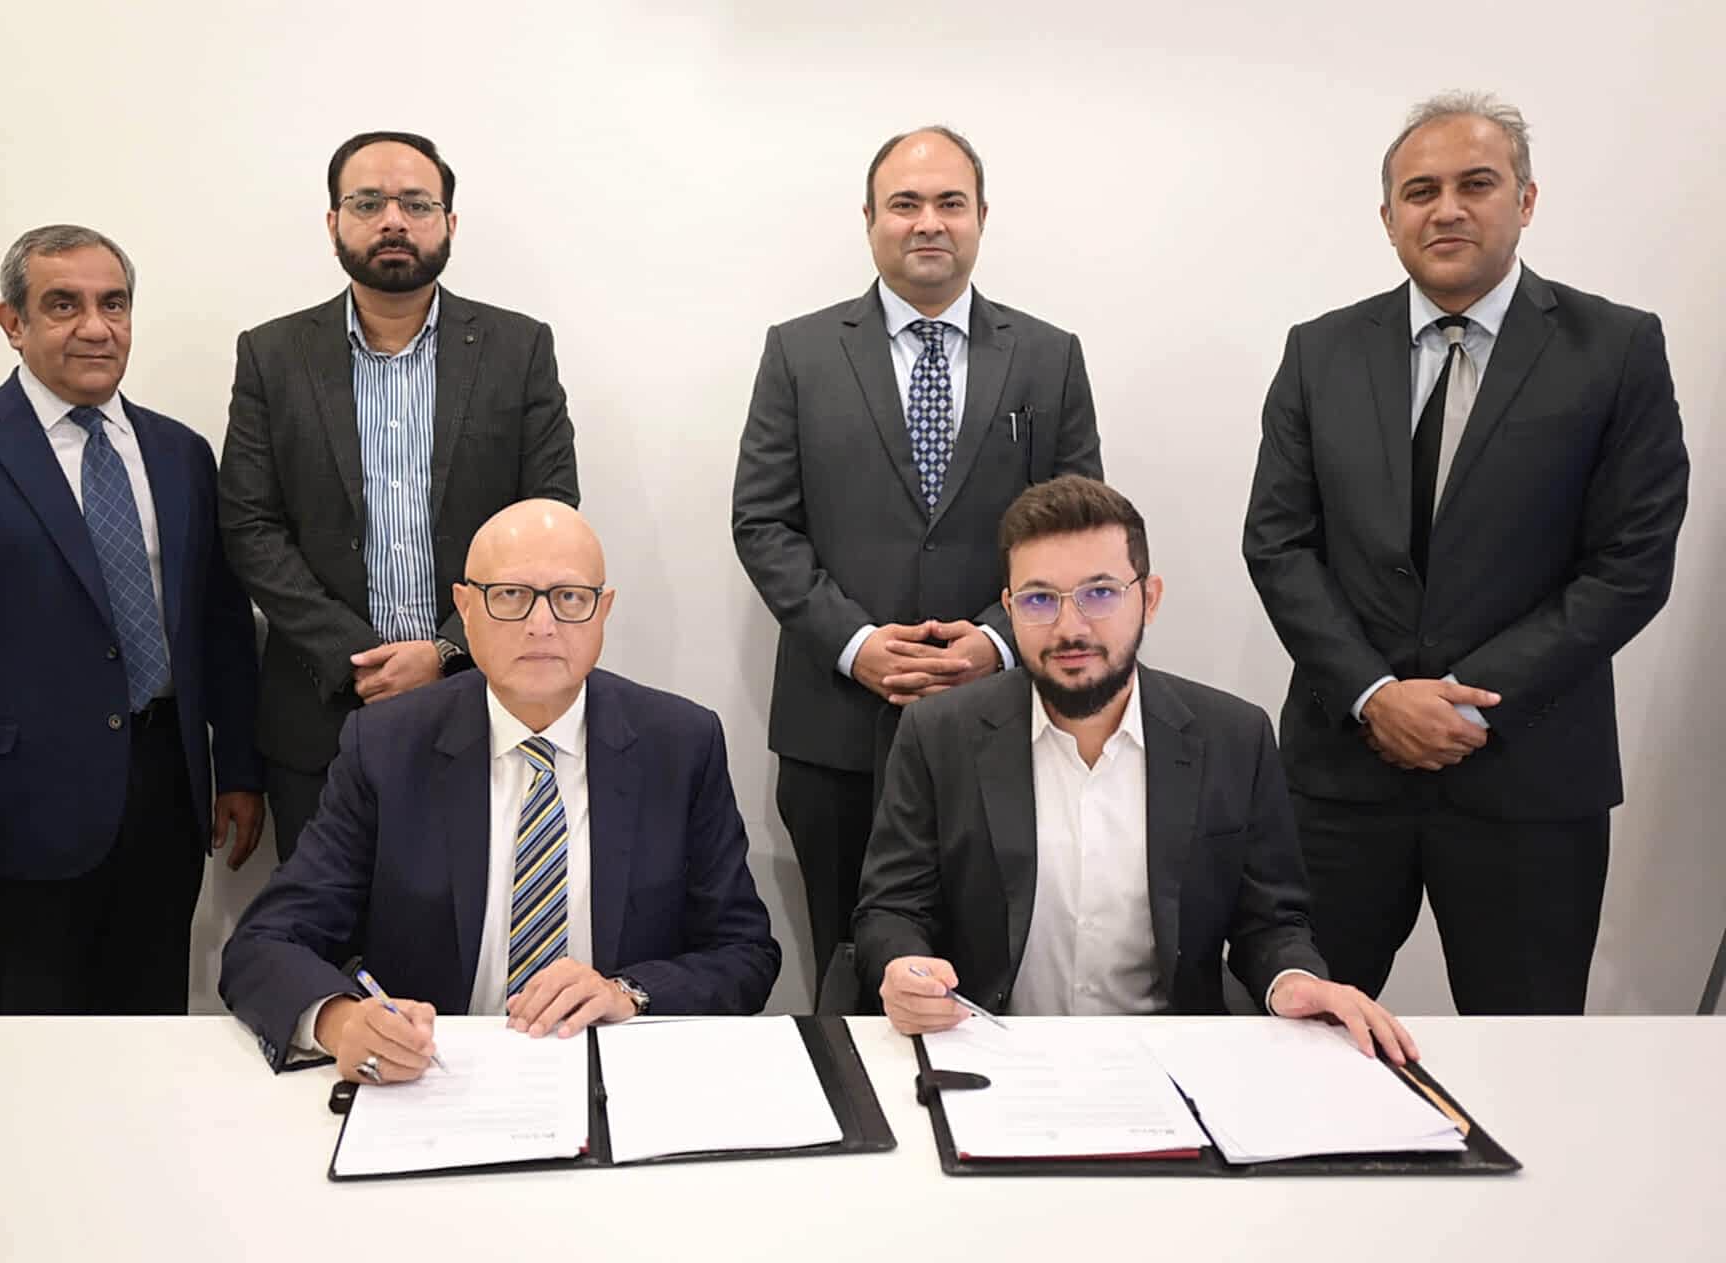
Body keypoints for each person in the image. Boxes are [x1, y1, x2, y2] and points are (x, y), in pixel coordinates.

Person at [1242, 92, 1689, 1014]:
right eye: (1420, 190)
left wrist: (1469, 705)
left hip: (1529, 779)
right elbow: (1278, 542)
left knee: (1531, 1055)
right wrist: (1375, 695)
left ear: (1525, 200)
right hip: (1341, 778)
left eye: (1475, 184)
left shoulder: (1616, 349)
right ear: (1388, 217)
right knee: (1298, 1042)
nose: (1446, 208)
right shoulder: (1319, 351)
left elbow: (1631, 562)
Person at [857, 476, 1413, 1063]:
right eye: (1040, 599)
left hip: (1172, 1063)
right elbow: (891, 909)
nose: (1070, 627)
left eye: (1099, 593)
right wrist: (901, 969)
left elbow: (1270, 923)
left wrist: (1295, 981)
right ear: (1011, 609)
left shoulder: (1234, 738)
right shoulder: (937, 733)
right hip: (991, 1055)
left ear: (1148, 598)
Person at [0, 224, 264, 1014]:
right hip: (19, 815)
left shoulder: (180, 454)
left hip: (166, 800)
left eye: (114, 303)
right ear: (13, 323)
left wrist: (239, 767)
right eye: (63, 304)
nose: (95, 325)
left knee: (152, 1032)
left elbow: (220, 623)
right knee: (38, 1049)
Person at [220, 501, 780, 1078]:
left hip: (619, 1072)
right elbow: (264, 943)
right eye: (510, 595)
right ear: (465, 607)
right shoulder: (386, 746)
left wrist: (629, 993)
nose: (542, 625)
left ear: (603, 610)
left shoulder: (681, 744)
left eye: (569, 598)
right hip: (437, 1076)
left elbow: (745, 955)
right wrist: (343, 1022)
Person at [733, 124, 1102, 983]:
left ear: (980, 218)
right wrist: (859, 645)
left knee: (995, 959)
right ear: (870, 219)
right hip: (837, 725)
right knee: (849, 963)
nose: (928, 221)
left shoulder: (1048, 357)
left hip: (1008, 716)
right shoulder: (799, 351)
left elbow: (1082, 533)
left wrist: (998, 638)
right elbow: (763, 522)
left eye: (949, 202)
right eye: (905, 203)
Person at [220, 129, 580, 861]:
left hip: (486, 702)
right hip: (317, 714)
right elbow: (250, 524)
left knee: (469, 935)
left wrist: (448, 648)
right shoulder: (272, 354)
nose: (392, 220)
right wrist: (359, 657)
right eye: (367, 202)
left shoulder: (519, 349)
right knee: (326, 946)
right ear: (333, 224)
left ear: (449, 222)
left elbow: (550, 519)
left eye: (416, 203)